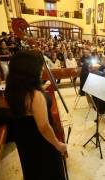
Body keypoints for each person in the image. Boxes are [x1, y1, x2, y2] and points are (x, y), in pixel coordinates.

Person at [5, 51, 67, 180]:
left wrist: (41, 88)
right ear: (29, 71)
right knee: (49, 171)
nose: (42, 70)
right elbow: (44, 126)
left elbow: (28, 110)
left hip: (25, 139)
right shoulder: (35, 95)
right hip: (41, 142)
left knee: (33, 170)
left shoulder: (13, 88)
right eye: (39, 68)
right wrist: (58, 144)